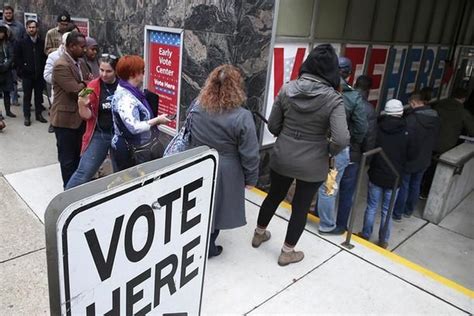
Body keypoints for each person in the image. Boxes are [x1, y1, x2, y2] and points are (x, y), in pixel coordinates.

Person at [253, 44, 349, 266]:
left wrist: (285, 135)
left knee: (274, 195)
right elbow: (342, 139)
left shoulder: (287, 89)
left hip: (283, 156)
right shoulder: (333, 99)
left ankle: (259, 234)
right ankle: (287, 252)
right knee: (301, 206)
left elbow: (273, 125)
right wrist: (328, 150)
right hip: (313, 163)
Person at [189, 64, 260, 258]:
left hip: (198, 162)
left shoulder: (197, 107)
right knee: (217, 209)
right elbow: (250, 154)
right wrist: (251, 179)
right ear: (237, 87)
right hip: (226, 169)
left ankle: (196, 240)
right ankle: (209, 247)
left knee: (201, 204)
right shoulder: (242, 117)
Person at [316, 56, 367, 235]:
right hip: (336, 151)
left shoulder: (318, 89)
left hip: (313, 145)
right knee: (329, 188)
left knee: (310, 181)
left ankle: (307, 211)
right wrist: (351, 140)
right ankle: (326, 225)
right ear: (349, 74)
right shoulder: (352, 97)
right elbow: (361, 127)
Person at [358, 99, 412, 249]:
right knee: (387, 210)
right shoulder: (407, 131)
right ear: (401, 112)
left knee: (371, 206)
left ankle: (365, 234)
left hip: (376, 174)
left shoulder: (378, 129)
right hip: (395, 177)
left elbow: (371, 149)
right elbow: (411, 155)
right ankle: (383, 241)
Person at [65, 54, 120, 189]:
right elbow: (87, 116)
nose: (104, 74)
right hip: (99, 134)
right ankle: (65, 201)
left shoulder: (123, 85)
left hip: (120, 135)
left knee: (122, 173)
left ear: (116, 71)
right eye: (101, 70)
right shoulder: (93, 86)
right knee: (84, 172)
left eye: (108, 71)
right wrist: (81, 104)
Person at [111, 55, 170, 171]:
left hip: (136, 149)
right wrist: (157, 120)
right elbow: (134, 127)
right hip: (132, 153)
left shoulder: (128, 89)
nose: (143, 74)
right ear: (134, 74)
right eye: (142, 71)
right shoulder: (125, 98)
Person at [50, 32, 91, 188]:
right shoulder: (61, 65)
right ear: (71, 46)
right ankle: (68, 191)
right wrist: (87, 83)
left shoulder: (79, 62)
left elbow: (88, 80)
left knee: (78, 157)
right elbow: (76, 91)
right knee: (67, 161)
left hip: (79, 119)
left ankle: (76, 188)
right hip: (65, 121)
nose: (85, 50)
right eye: (82, 47)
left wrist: (85, 83)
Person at [337, 75, 377, 230]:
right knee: (347, 193)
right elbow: (369, 136)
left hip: (336, 149)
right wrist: (366, 159)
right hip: (354, 155)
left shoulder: (343, 99)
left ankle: (321, 217)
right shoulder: (368, 109)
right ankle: (341, 225)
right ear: (369, 90)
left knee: (329, 186)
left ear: (355, 84)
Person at [392, 91, 439, 221]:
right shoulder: (435, 117)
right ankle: (409, 211)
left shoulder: (411, 120)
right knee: (416, 184)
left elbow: (405, 141)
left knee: (404, 185)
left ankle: (397, 213)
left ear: (414, 102)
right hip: (425, 158)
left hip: (410, 159)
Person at [421, 87, 474, 198]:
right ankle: (425, 192)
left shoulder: (438, 105)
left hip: (428, 141)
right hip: (445, 146)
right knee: (435, 170)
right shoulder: (463, 112)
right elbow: (472, 130)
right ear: (464, 98)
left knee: (422, 166)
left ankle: (416, 188)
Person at [15, 20, 47, 126]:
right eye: (29, 27)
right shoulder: (21, 42)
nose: (31, 29)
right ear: (26, 28)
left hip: (38, 75)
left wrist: (42, 69)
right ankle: (27, 116)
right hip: (27, 75)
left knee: (38, 96)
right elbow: (17, 58)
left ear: (37, 28)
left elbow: (44, 57)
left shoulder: (41, 42)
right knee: (27, 96)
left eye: (33, 27)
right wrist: (22, 69)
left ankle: (39, 114)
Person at [1, 5, 25, 108]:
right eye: (6, 13)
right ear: (4, 14)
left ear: (12, 13)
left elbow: (24, 38)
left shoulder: (19, 26)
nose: (8, 15)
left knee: (14, 79)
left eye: (9, 13)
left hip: (15, 56)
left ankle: (14, 99)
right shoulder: (0, 24)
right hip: (2, 57)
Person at [0, 25, 15, 118]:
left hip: (6, 71)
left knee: (7, 93)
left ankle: (8, 111)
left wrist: (5, 66)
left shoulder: (8, 43)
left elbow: (11, 56)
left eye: (2, 32)